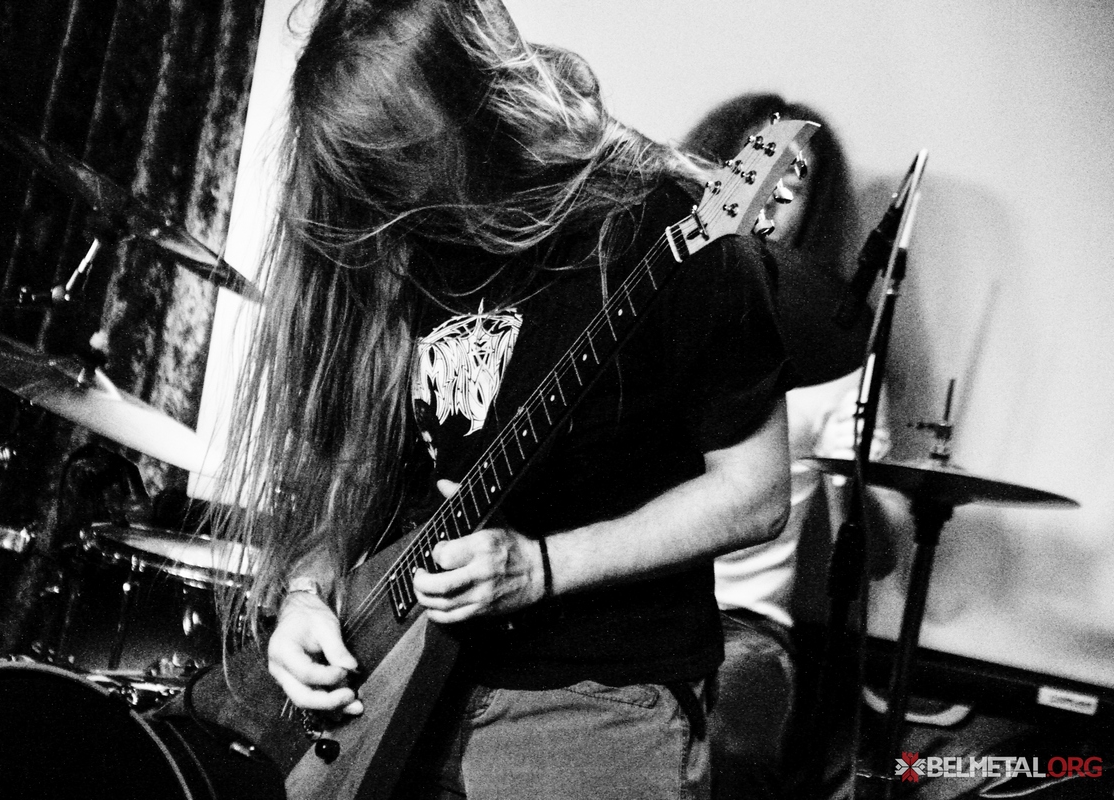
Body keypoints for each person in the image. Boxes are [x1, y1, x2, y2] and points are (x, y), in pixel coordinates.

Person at [218, 4, 796, 798]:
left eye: (408, 160)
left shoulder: (668, 226)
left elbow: (757, 494)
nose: (395, 197)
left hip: (593, 696)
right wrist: (307, 594)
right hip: (392, 675)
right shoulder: (398, 234)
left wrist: (541, 567)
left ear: (480, 103)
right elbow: (350, 468)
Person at [682, 93, 891, 799]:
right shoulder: (637, 306)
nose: (762, 197)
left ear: (811, 212)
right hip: (611, 596)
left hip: (738, 625)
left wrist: (857, 488)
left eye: (789, 186)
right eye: (746, 172)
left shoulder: (835, 354)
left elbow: (879, 556)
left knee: (731, 733)